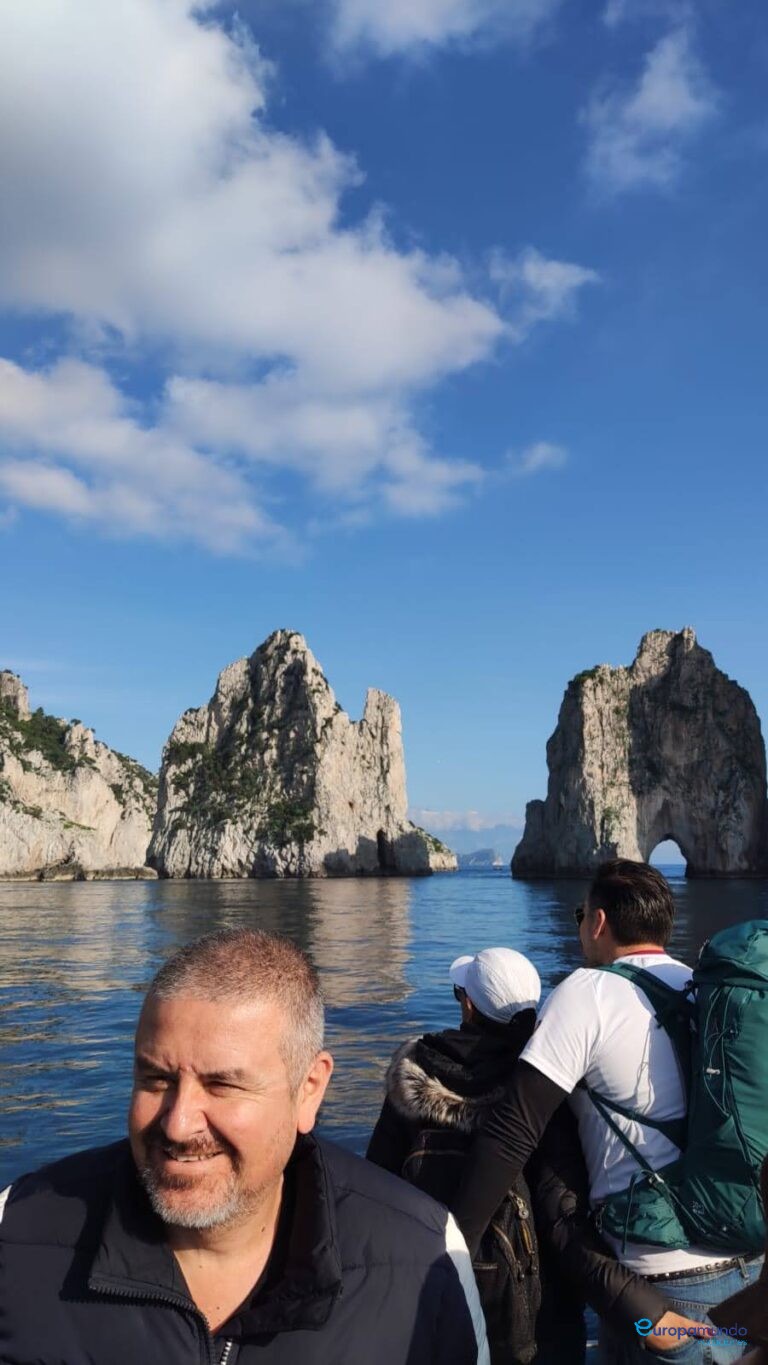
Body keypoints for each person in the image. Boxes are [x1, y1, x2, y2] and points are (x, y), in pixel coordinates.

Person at [0, 928, 490, 1365]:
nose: (177, 1123)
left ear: (309, 1090)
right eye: (155, 1078)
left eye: (222, 1085)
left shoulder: (424, 1259)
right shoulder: (16, 1236)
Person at [449, 861, 763, 1364]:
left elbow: (513, 1130)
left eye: (580, 915)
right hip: (747, 1269)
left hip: (660, 1299)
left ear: (597, 922)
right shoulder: (703, 987)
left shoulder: (586, 991)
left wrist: (454, 1247)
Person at [367, 945, 674, 1364]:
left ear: (467, 1004)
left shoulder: (415, 1075)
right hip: (537, 1317)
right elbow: (564, 1217)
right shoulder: (545, 1086)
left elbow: (376, 1191)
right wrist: (651, 1317)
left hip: (435, 1293)